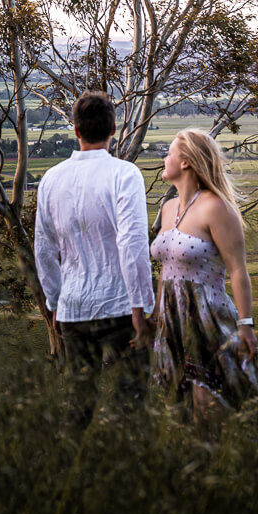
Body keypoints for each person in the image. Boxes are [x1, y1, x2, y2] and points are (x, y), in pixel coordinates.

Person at [35, 90, 155, 425]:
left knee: (79, 403)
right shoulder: (124, 174)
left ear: (76, 131)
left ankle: (74, 471)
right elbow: (132, 244)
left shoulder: (51, 179)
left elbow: (44, 249)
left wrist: (55, 302)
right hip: (120, 306)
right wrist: (141, 306)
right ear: (113, 129)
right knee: (129, 406)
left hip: (72, 308)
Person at [151, 128, 258, 425]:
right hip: (172, 320)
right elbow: (166, 270)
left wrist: (246, 325)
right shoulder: (167, 209)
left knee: (211, 402)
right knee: (180, 411)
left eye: (169, 153)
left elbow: (237, 269)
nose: (163, 158)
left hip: (208, 318)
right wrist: (156, 316)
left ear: (186, 162)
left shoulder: (217, 208)